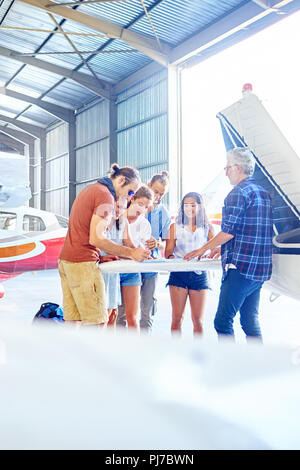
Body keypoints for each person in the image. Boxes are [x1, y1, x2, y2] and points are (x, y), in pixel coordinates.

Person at [184, 147, 273, 341]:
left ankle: (229, 366)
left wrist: (202, 249)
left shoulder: (237, 194)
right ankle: (256, 362)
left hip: (240, 269)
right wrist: (221, 247)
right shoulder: (263, 193)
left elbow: (228, 232)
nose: (225, 172)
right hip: (260, 270)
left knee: (222, 321)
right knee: (249, 320)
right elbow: (249, 230)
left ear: (237, 168)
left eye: (227, 167)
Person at [58, 164, 150, 326]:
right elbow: (97, 239)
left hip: (67, 261)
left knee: (73, 322)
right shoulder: (105, 196)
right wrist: (131, 253)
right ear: (121, 180)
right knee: (98, 323)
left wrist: (103, 255)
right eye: (130, 192)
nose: (129, 198)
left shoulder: (90, 189)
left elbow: (85, 232)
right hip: (83, 264)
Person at [165, 192, 214, 336]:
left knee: (198, 320)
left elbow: (214, 249)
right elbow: (168, 250)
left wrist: (207, 254)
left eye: (193, 205)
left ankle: (197, 355)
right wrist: (172, 258)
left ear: (200, 206)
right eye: (186, 205)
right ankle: (176, 352)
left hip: (199, 275)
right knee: (177, 318)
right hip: (178, 275)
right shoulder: (175, 227)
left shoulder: (208, 227)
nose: (189, 208)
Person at [117, 185, 154, 330]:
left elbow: (142, 249)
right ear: (132, 199)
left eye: (146, 207)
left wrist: (146, 253)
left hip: (132, 271)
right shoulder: (118, 215)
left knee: (132, 317)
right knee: (115, 315)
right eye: (140, 204)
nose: (142, 209)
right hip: (114, 269)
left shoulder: (144, 224)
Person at [140, 171, 171, 333]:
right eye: (156, 191)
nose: (158, 196)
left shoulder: (164, 213)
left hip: (151, 266)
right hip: (131, 265)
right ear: (148, 185)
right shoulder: (135, 206)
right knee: (123, 310)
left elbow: (166, 244)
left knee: (146, 311)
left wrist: (157, 243)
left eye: (162, 194)